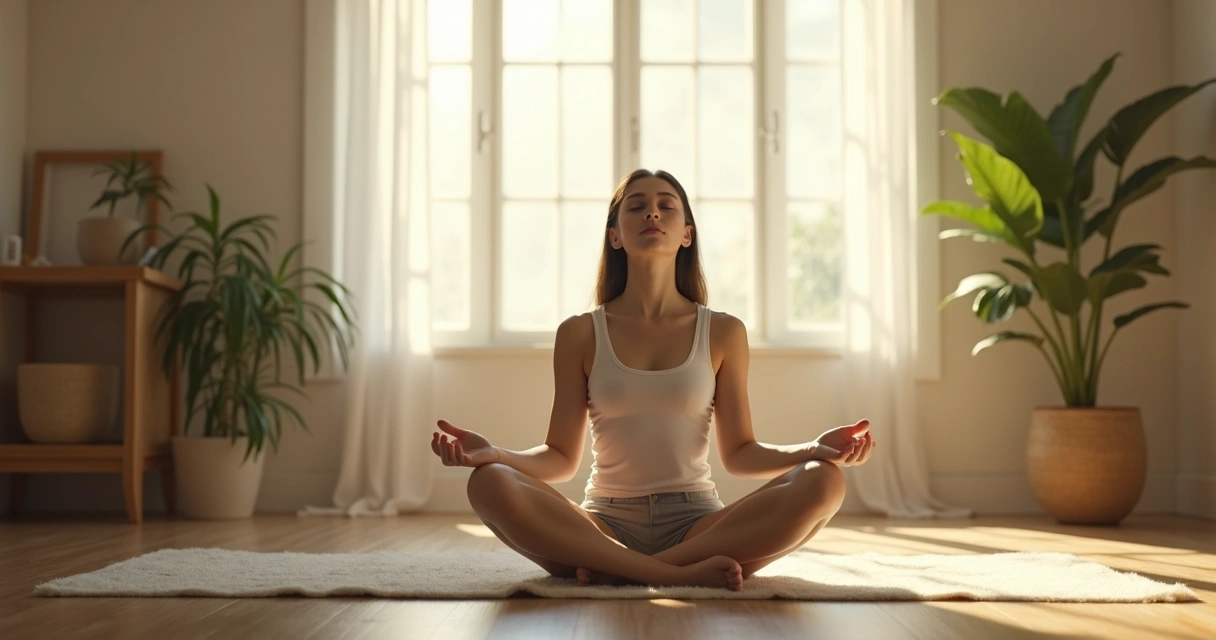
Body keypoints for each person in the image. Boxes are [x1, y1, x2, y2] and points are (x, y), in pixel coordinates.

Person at [431, 169, 876, 591]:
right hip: (602, 526)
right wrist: (495, 454)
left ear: (687, 234)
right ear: (615, 235)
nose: (652, 212)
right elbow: (561, 458)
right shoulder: (580, 333)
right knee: (488, 482)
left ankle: (626, 572)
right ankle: (674, 575)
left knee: (825, 481)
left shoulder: (723, 331)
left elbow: (740, 453)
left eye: (667, 205)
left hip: (698, 526)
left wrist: (813, 449)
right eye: (636, 205)